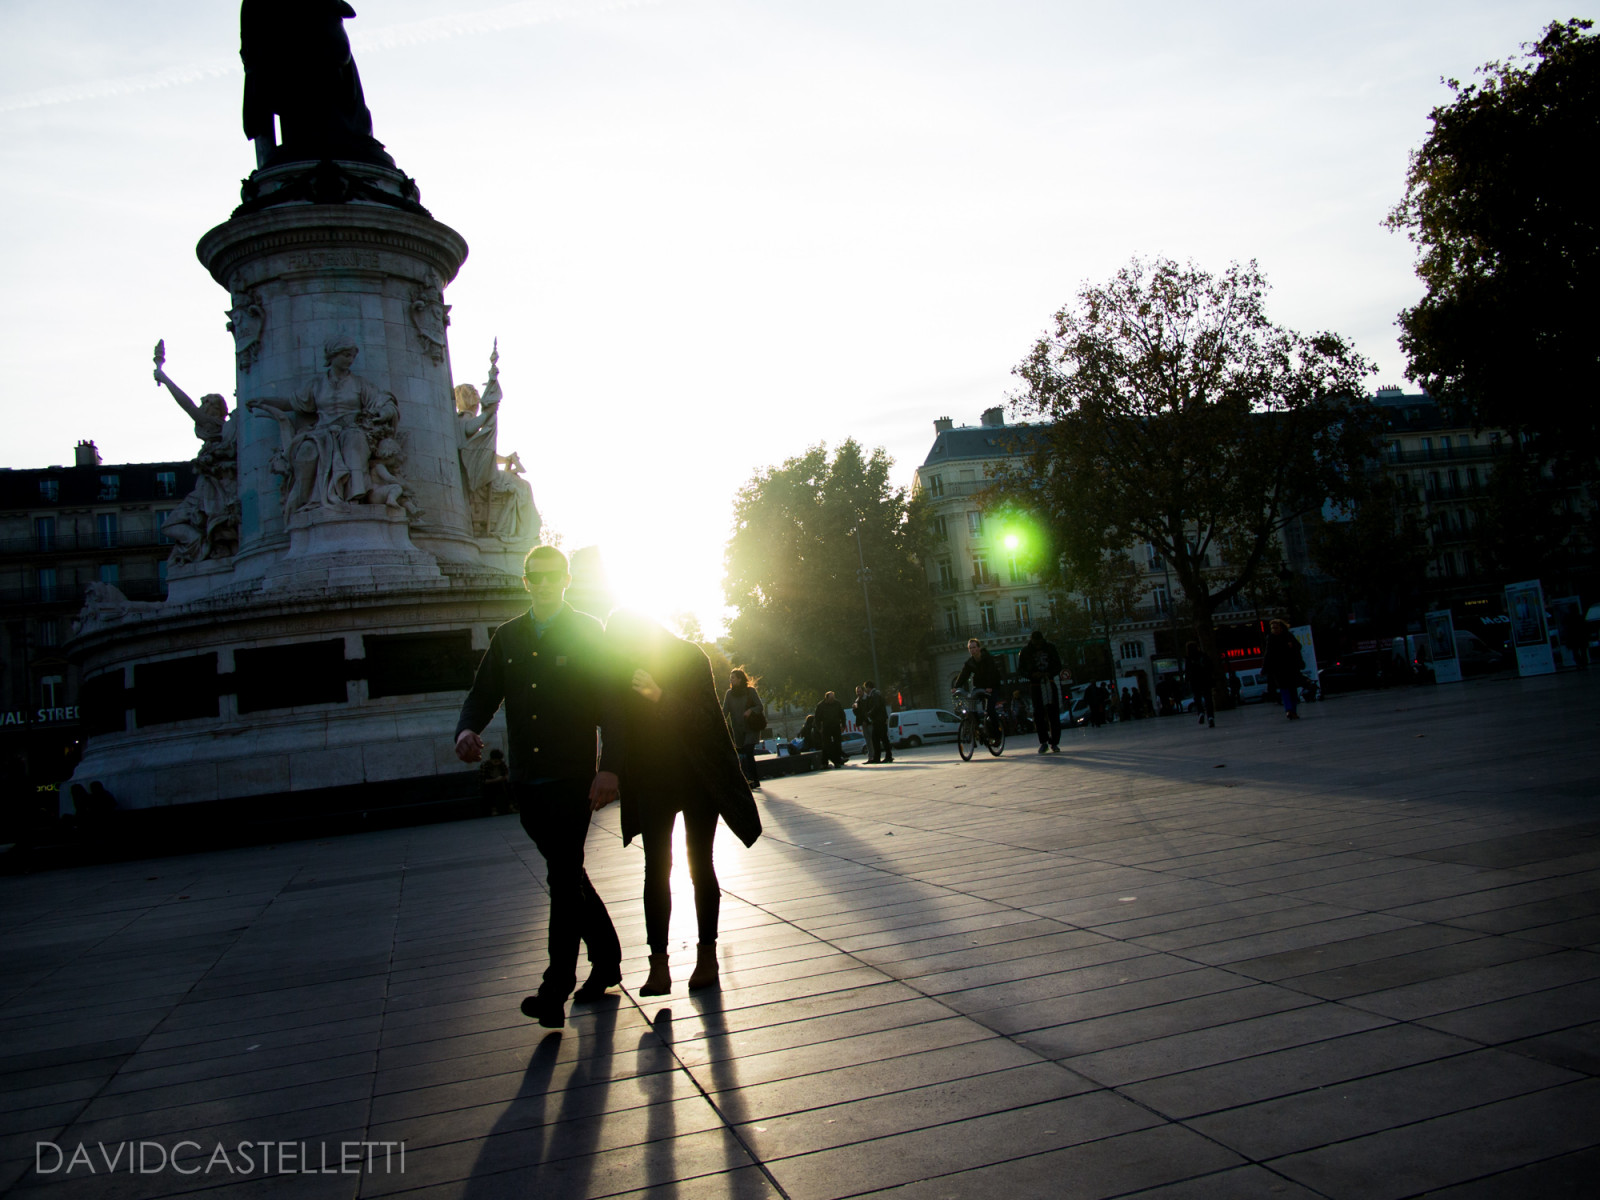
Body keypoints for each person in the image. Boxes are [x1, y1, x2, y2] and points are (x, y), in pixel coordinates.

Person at [454, 545, 624, 1028]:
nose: (545, 583)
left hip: (573, 779)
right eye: (536, 576)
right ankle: (607, 958)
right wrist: (466, 730)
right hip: (526, 780)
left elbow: (612, 706)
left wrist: (610, 767)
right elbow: (483, 694)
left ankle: (555, 988)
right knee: (567, 874)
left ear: (566, 579)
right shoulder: (508, 636)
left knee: (562, 878)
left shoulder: (588, 631)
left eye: (553, 575)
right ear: (526, 581)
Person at [604, 611, 762, 997]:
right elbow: (616, 724)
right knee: (655, 868)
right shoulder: (621, 666)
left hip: (696, 774)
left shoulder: (690, 657)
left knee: (699, 862)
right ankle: (658, 966)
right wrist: (608, 770)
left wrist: (659, 696)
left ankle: (707, 955)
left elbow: (707, 719)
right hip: (651, 777)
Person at [721, 668, 765, 789]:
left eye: (733, 678)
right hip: (738, 730)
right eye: (730, 678)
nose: (731, 680)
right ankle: (747, 780)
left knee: (748, 751)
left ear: (740, 679)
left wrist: (750, 710)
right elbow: (725, 711)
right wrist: (719, 722)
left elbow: (760, 706)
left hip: (751, 727)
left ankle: (755, 780)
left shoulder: (750, 691)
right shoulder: (729, 694)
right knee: (743, 755)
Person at [1023, 630, 1063, 753]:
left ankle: (1051, 741)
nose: (1037, 645)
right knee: (1040, 714)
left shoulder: (1047, 648)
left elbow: (1058, 665)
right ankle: (1047, 741)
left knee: (1051, 713)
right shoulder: (1027, 651)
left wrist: (1048, 673)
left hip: (1046, 682)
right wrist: (1033, 675)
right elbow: (1022, 670)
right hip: (1037, 684)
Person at [955, 638, 1002, 742]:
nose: (972, 650)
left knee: (990, 710)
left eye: (974, 647)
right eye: (970, 648)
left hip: (992, 687)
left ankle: (997, 735)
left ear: (979, 648)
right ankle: (979, 727)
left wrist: (990, 686)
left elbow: (992, 672)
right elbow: (964, 675)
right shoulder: (970, 663)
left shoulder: (987, 658)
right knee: (971, 706)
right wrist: (956, 686)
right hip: (979, 687)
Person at [1264, 618, 1303, 720]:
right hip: (1279, 669)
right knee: (1285, 689)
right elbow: (1268, 654)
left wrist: (1292, 646)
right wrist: (1265, 668)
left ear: (1281, 628)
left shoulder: (1288, 636)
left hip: (1290, 667)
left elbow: (1298, 647)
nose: (1274, 630)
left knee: (1292, 690)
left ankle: (1292, 710)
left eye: (1276, 628)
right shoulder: (1271, 638)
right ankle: (1289, 710)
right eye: (1272, 628)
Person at [860, 681, 893, 763]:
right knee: (877, 739)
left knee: (881, 739)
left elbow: (876, 706)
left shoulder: (875, 695)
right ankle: (879, 757)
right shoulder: (874, 694)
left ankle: (886, 756)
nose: (865, 690)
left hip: (879, 720)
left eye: (865, 688)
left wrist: (869, 713)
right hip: (878, 720)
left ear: (868, 687)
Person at [1185, 641, 1215, 728]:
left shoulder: (1188, 658)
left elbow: (1187, 671)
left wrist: (1187, 680)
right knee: (1208, 699)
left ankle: (1201, 712)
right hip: (1205, 680)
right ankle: (1210, 717)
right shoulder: (1203, 655)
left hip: (1195, 681)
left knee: (1197, 698)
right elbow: (1210, 666)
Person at [814, 690, 847, 766]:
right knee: (827, 745)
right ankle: (830, 761)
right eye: (831, 699)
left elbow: (842, 715)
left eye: (833, 698)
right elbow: (817, 718)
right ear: (826, 698)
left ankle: (836, 760)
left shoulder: (837, 703)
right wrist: (819, 728)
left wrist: (843, 725)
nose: (832, 700)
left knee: (837, 744)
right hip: (826, 727)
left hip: (836, 726)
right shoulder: (820, 705)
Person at [479, 748, 509, 816]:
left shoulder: (502, 764)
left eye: (499, 761)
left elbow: (506, 775)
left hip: (500, 783)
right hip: (488, 785)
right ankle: (493, 809)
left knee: (507, 785)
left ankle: (510, 805)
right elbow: (483, 781)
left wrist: (503, 778)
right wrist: (496, 779)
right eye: (495, 761)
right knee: (491, 788)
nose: (497, 763)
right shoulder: (485, 765)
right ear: (491, 760)